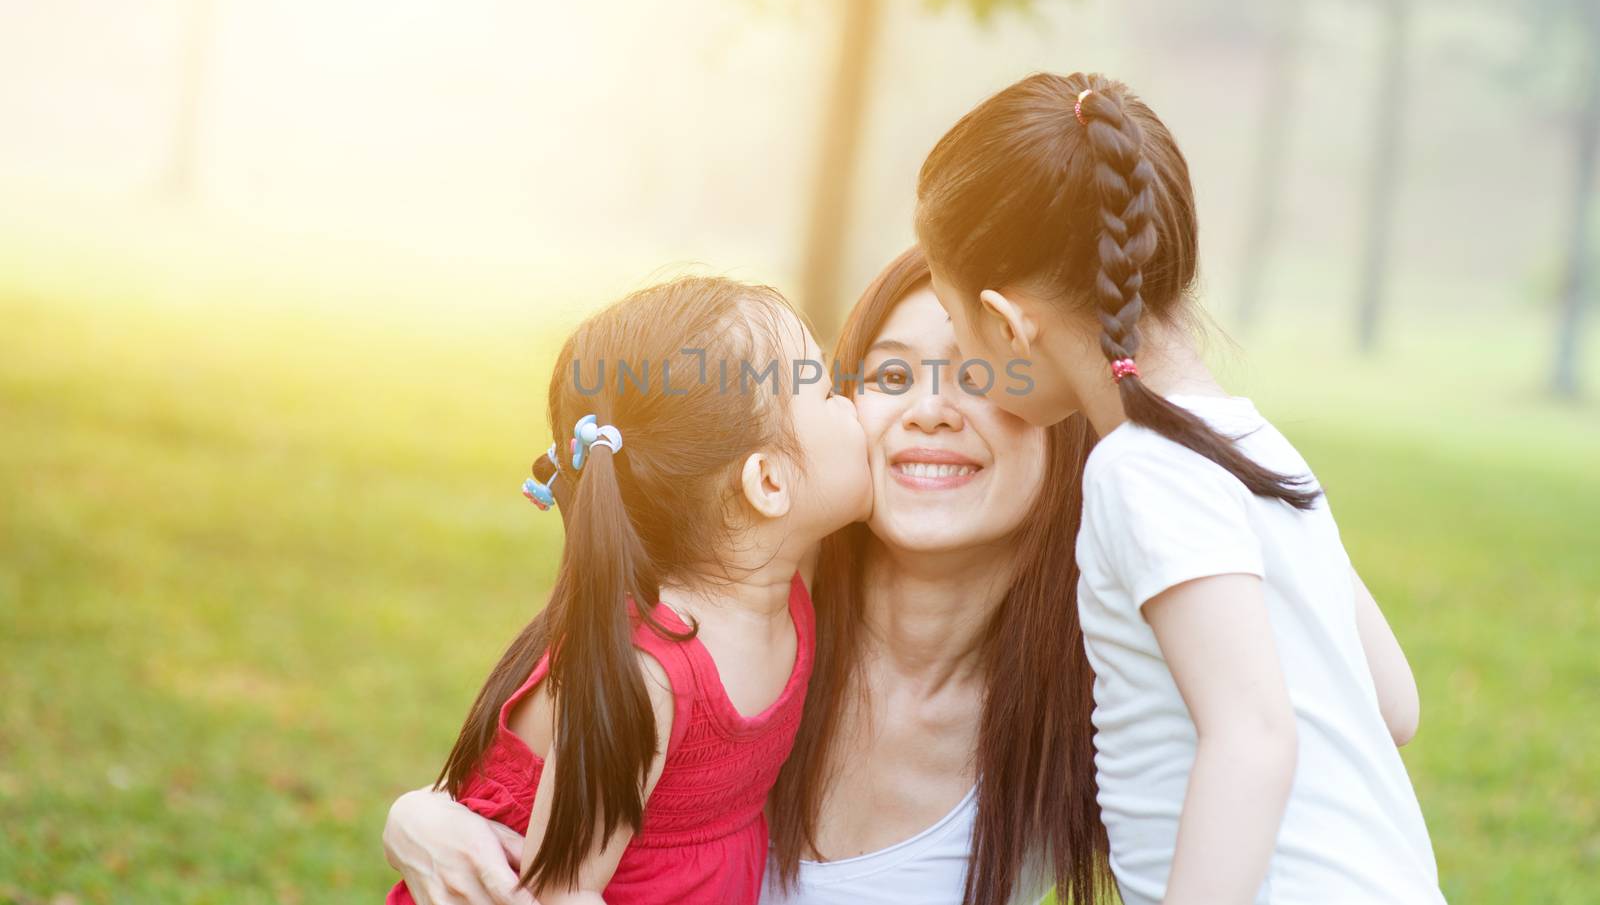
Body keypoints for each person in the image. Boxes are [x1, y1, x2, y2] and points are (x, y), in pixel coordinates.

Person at [383, 248, 1112, 905]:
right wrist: (418, 815)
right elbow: (540, 832)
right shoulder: (692, 632)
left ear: (1064, 402)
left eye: (982, 374)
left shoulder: (1096, 718)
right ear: (766, 481)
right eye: (884, 375)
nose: (928, 411)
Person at [914, 70, 1444, 905]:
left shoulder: (1141, 470)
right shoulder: (1251, 447)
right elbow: (1396, 702)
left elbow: (1253, 737)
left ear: (1011, 322)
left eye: (954, 322)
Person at [386, 276, 871, 905]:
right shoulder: (653, 674)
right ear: (769, 483)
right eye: (829, 392)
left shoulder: (787, 581)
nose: (854, 404)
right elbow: (559, 894)